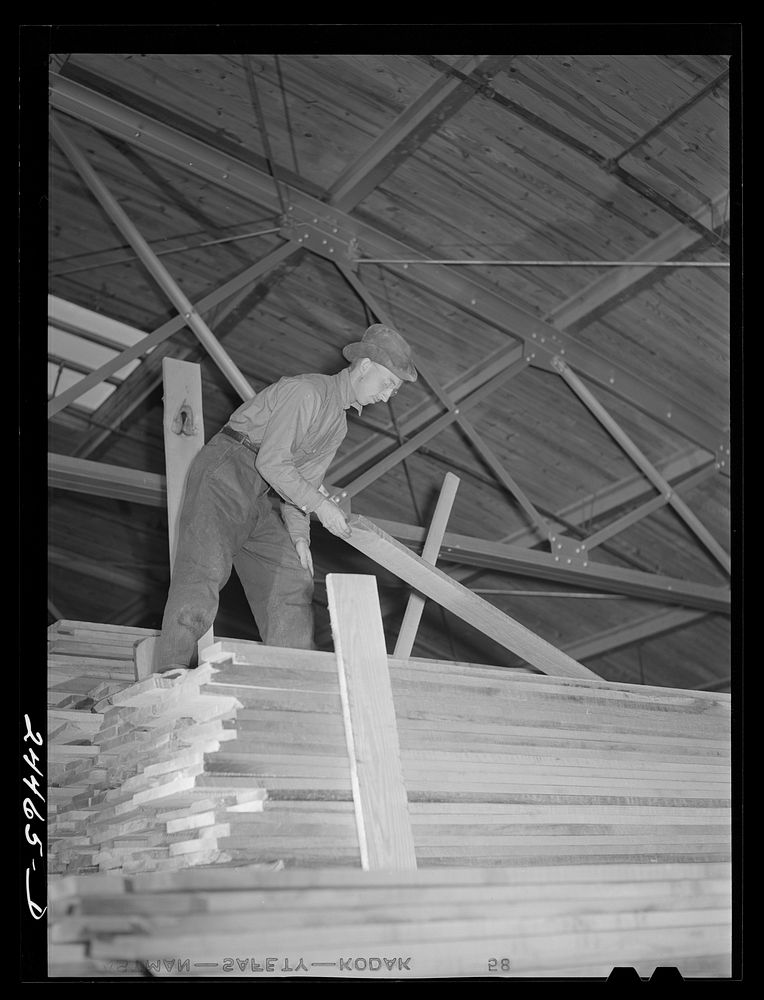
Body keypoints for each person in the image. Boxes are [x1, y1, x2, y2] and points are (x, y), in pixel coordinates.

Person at [154, 323, 417, 673]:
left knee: (292, 578)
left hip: (259, 492)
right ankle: (170, 669)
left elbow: (302, 482)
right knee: (206, 567)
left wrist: (299, 536)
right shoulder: (308, 392)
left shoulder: (337, 425)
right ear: (365, 366)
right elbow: (273, 462)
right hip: (228, 469)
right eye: (387, 383)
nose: (386, 397)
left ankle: (294, 675)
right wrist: (322, 506)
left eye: (394, 391)